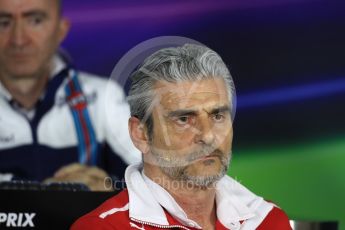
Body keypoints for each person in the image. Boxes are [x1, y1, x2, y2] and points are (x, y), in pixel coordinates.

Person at [71, 43, 291, 229]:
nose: (208, 136)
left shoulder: (269, 220)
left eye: (217, 115)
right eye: (184, 119)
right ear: (141, 134)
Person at [0, 0, 140, 191]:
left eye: (35, 20)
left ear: (61, 30)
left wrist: (109, 189)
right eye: (3, 22)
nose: (19, 40)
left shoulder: (102, 97)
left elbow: (159, 185)